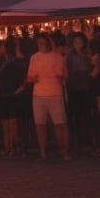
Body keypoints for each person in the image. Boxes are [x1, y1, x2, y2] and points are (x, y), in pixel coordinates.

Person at [26, 33, 70, 161]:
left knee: (60, 123)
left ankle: (64, 150)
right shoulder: (34, 58)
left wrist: (59, 76)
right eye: (38, 43)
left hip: (55, 93)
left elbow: (65, 75)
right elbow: (29, 76)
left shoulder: (57, 57)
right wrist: (32, 78)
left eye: (43, 43)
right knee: (40, 124)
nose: (40, 46)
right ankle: (43, 151)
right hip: (39, 94)